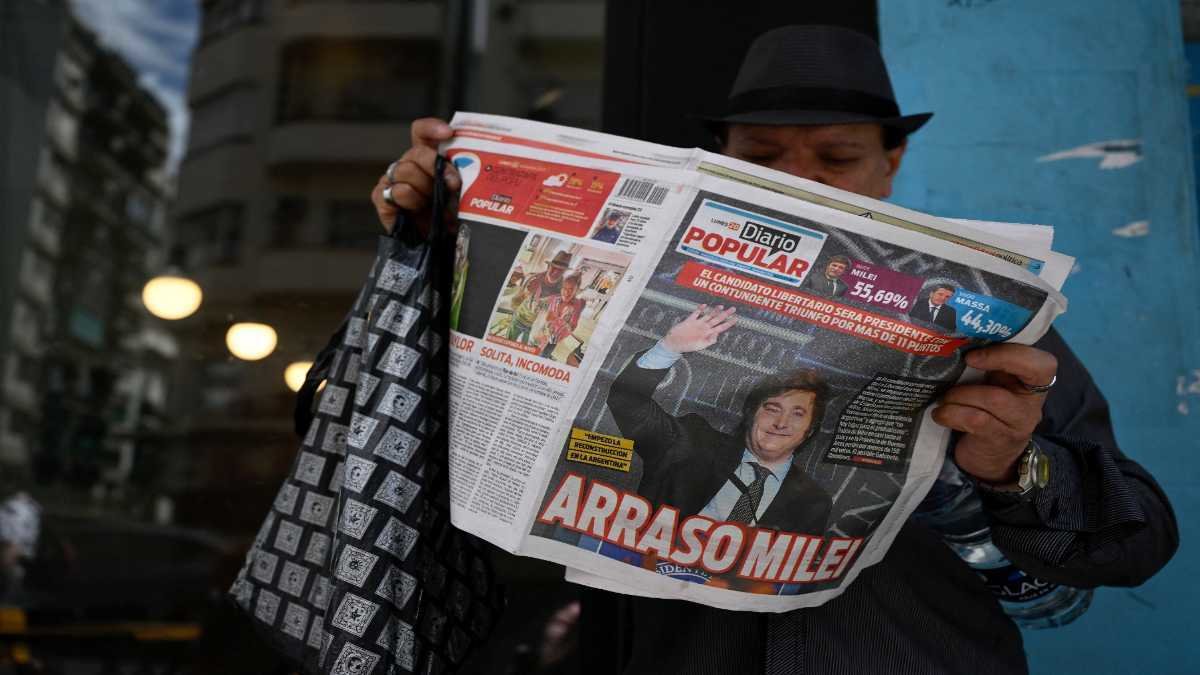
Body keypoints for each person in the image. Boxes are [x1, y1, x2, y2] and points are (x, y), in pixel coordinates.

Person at [371, 24, 1177, 675]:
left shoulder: (977, 318)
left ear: (891, 162)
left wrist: (1014, 467)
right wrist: (428, 245)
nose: (802, 179)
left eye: (837, 157)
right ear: (722, 157)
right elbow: (390, 423)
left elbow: (1138, 539)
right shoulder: (664, 325)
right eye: (762, 157)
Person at [606, 304, 831, 534]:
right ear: (751, 414)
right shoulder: (691, 441)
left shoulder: (812, 503)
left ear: (810, 429)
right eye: (772, 409)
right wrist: (670, 347)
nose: (781, 423)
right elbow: (627, 403)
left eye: (797, 414)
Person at [506, 250, 571, 344]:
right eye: (554, 268)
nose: (555, 272)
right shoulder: (532, 278)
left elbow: (558, 317)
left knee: (525, 351)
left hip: (536, 330)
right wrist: (526, 293)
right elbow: (514, 302)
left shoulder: (563, 292)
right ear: (548, 266)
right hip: (518, 321)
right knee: (508, 343)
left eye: (560, 270)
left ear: (564, 272)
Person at [536, 272, 586, 359]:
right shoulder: (555, 298)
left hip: (553, 340)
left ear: (577, 290)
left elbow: (572, 327)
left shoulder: (577, 305)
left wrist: (556, 319)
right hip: (542, 334)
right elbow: (541, 305)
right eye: (564, 288)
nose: (566, 292)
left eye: (571, 289)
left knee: (542, 357)